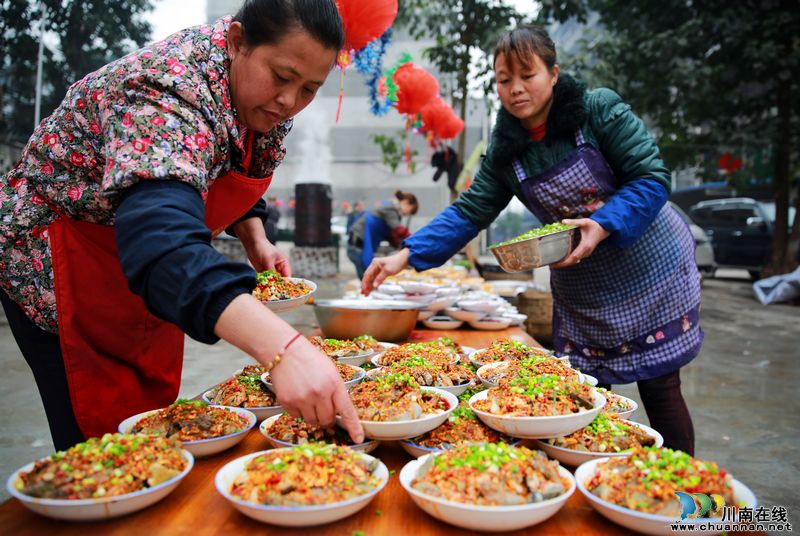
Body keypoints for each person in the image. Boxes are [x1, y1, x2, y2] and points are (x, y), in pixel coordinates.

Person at [0, 0, 364, 450]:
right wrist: (283, 349)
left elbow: (222, 162)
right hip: (62, 263)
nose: (290, 101)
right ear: (236, 43)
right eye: (283, 77)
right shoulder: (164, 88)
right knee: (101, 449)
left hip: (138, 276)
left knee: (155, 428)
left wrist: (255, 234)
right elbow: (162, 242)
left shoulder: (259, 96)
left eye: (310, 89)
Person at [362, 25, 700, 455]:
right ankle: (597, 480)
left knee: (659, 383)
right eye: (504, 80)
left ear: (554, 73)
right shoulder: (506, 151)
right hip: (585, 282)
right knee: (586, 396)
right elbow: (471, 210)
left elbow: (651, 178)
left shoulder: (598, 111)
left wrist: (605, 222)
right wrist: (407, 254)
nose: (516, 89)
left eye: (528, 75)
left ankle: (690, 497)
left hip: (649, 267)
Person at [347, 191, 418, 279]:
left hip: (358, 246)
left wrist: (402, 247)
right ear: (407, 202)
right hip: (358, 246)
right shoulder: (391, 209)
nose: (407, 214)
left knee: (368, 278)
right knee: (368, 279)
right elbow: (399, 231)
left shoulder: (388, 207)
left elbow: (391, 236)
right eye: (411, 210)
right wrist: (415, 242)